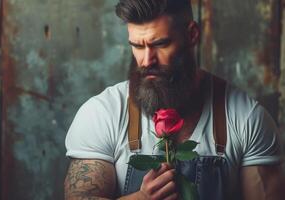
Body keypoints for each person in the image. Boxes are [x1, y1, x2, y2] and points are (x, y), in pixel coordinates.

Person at [64, 0, 284, 199]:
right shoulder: (102, 113)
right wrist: (141, 199)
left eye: (160, 44)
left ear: (192, 34)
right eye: (138, 46)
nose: (147, 60)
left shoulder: (247, 118)